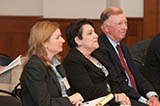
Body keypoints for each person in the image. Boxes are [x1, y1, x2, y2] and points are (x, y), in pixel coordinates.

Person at [62, 18, 151, 106]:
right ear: (78, 40)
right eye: (90, 33)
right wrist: (115, 97)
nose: (96, 36)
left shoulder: (96, 54)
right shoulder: (73, 61)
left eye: (94, 32)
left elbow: (114, 78)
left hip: (114, 99)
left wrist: (120, 96)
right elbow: (89, 91)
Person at [95, 6, 160, 106]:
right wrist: (144, 101)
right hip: (122, 98)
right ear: (106, 28)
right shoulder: (100, 49)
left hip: (136, 94)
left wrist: (152, 96)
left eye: (125, 23)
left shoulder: (122, 47)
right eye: (120, 24)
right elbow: (117, 82)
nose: (125, 27)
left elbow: (137, 76)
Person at [20, 21, 84, 106]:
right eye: (57, 37)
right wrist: (70, 99)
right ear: (44, 42)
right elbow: (44, 103)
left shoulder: (57, 63)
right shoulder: (34, 68)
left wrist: (75, 101)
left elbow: (65, 91)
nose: (63, 40)